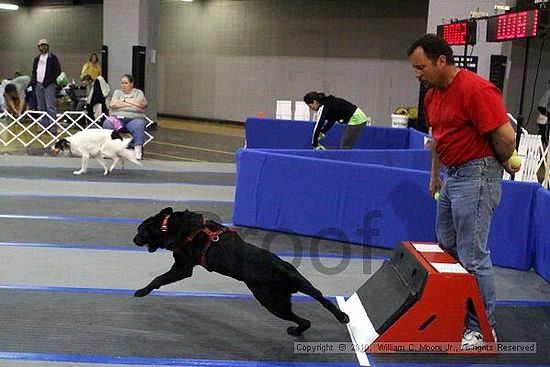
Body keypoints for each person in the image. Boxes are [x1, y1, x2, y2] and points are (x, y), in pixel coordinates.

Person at [407, 34, 520, 349]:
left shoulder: (476, 89)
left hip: (478, 174)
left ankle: (484, 329)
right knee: (447, 247)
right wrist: (434, 176)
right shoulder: (432, 96)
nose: (418, 74)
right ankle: (460, 310)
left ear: (441, 60)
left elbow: (507, 137)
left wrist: (497, 163)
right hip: (452, 176)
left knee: (473, 255)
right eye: (415, 69)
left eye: (421, 67)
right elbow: (439, 140)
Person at [304, 91, 370, 149]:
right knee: (344, 146)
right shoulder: (328, 103)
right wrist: (323, 132)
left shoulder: (323, 107)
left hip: (357, 119)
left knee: (344, 146)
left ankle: (345, 162)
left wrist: (315, 144)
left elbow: (319, 124)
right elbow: (332, 119)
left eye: (310, 106)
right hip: (359, 117)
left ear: (315, 102)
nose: (311, 109)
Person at [103, 74, 147, 160]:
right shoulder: (117, 92)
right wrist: (131, 104)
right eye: (122, 83)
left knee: (139, 124)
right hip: (118, 119)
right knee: (107, 123)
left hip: (134, 119)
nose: (123, 85)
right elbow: (112, 104)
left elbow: (139, 104)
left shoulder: (138, 93)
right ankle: (109, 150)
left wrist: (122, 101)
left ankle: (137, 150)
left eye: (126, 83)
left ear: (131, 84)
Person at [31, 38, 61, 134]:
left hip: (49, 85)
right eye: (41, 45)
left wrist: (48, 81)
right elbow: (34, 70)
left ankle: (53, 128)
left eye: (45, 45)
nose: (43, 47)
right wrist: (34, 81)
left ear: (47, 47)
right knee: (42, 107)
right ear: (38, 47)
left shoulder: (52, 58)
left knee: (50, 107)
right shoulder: (37, 58)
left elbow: (58, 71)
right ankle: (44, 127)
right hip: (38, 85)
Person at [536, 80, 549, 147]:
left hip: (546, 119)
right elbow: (540, 107)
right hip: (543, 119)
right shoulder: (548, 93)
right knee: (542, 135)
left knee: (544, 136)